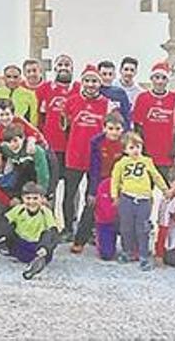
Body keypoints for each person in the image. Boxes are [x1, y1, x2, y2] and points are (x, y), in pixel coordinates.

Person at [60, 65, 111, 240]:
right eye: (87, 81)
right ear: (82, 82)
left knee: (92, 196)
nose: (91, 84)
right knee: (69, 193)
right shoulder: (71, 101)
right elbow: (65, 126)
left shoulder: (107, 104)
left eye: (94, 81)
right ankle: (67, 228)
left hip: (96, 158)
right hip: (74, 155)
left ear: (100, 82)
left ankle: (87, 230)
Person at [0, 181, 58, 280]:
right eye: (28, 198)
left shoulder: (45, 212)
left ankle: (36, 264)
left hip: (36, 249)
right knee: (6, 224)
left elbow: (53, 232)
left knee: (48, 233)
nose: (31, 202)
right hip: (19, 247)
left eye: (35, 198)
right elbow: (3, 222)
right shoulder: (19, 209)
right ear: (23, 199)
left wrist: (45, 248)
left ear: (42, 199)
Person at [111, 131, 169, 271]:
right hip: (127, 198)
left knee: (142, 227)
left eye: (138, 147)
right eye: (131, 147)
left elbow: (156, 176)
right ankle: (126, 251)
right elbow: (115, 180)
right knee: (126, 226)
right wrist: (114, 196)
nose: (135, 150)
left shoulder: (147, 161)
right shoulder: (120, 164)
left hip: (144, 199)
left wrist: (165, 189)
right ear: (125, 150)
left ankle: (143, 255)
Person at [71, 112, 125, 254]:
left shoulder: (125, 142)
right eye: (111, 128)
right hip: (99, 178)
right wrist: (93, 191)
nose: (114, 132)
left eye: (118, 129)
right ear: (104, 128)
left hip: (118, 180)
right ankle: (79, 240)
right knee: (91, 206)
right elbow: (94, 167)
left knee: (120, 208)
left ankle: (125, 243)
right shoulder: (96, 142)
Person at [131, 61, 175, 181]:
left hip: (166, 154)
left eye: (163, 78)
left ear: (167, 80)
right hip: (147, 153)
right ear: (152, 79)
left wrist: (174, 149)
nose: (160, 81)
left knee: (168, 189)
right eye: (157, 77)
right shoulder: (142, 98)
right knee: (145, 189)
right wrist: (141, 148)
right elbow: (137, 126)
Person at [36, 54, 77, 200]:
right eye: (60, 65)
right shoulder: (45, 88)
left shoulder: (79, 88)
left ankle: (71, 219)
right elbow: (39, 116)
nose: (63, 68)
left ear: (72, 69)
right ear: (55, 68)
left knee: (72, 189)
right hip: (51, 145)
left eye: (67, 65)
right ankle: (49, 219)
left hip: (72, 148)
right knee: (49, 186)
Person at [97, 60, 132, 128]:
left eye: (110, 74)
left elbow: (126, 116)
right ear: (98, 75)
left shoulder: (120, 93)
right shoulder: (95, 91)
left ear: (114, 75)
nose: (107, 77)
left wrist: (126, 133)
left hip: (114, 132)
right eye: (104, 74)